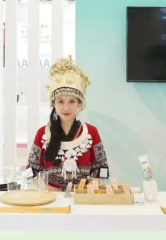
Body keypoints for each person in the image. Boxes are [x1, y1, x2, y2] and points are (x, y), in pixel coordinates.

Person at [27, 56, 110, 190]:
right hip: (51, 198)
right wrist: (48, 189)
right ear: (53, 103)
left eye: (72, 101)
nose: (66, 108)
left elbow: (102, 169)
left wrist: (88, 188)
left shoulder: (91, 132)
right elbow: (31, 170)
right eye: (60, 101)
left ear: (79, 103)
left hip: (82, 198)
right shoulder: (42, 133)